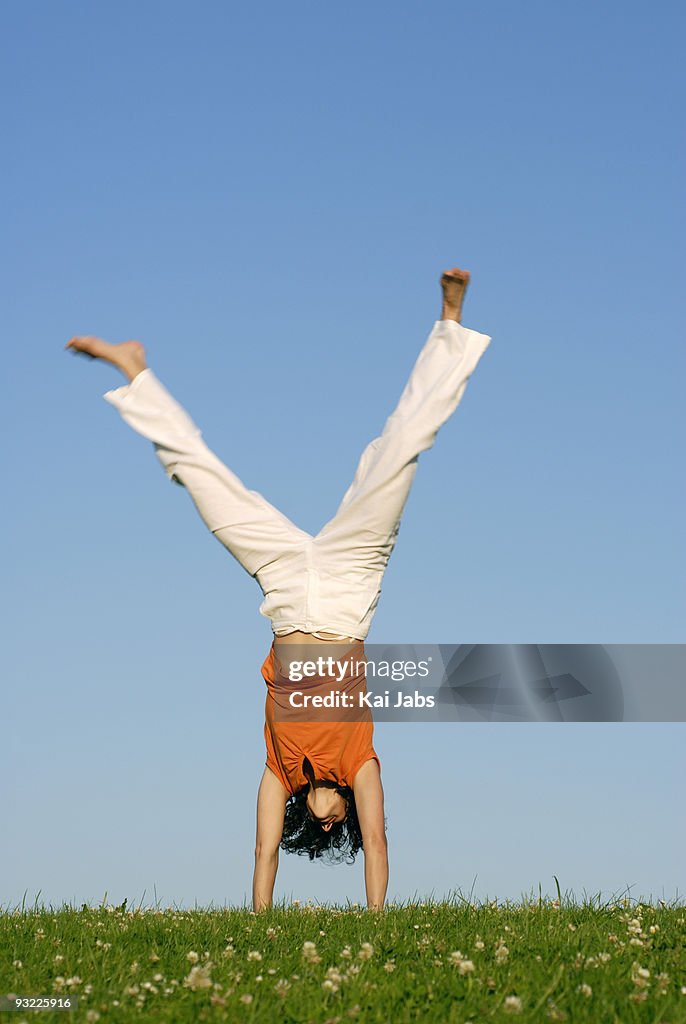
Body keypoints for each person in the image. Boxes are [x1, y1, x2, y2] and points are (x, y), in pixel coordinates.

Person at [65, 268, 492, 911]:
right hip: (349, 596)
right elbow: (378, 844)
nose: (331, 825)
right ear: (346, 810)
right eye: (338, 825)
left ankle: (135, 374)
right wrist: (378, 926)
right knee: (398, 450)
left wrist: (258, 926)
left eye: (323, 829)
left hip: (289, 593)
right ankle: (450, 328)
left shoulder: (278, 772)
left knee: (208, 489)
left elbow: (263, 855)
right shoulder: (361, 765)